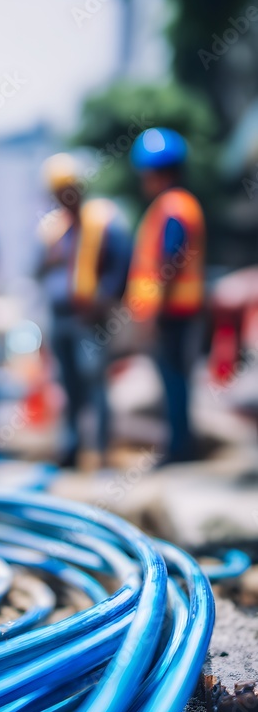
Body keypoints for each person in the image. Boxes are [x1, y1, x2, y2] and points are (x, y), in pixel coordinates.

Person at [38, 153, 132, 467]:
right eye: (58, 192)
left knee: (94, 382)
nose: (64, 197)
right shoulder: (54, 230)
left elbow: (121, 264)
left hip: (89, 321)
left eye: (69, 189)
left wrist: (105, 299)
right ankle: (71, 450)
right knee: (67, 385)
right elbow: (39, 269)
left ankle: (103, 452)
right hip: (60, 318)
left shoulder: (103, 221)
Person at [126, 127, 205, 464]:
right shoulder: (177, 206)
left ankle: (179, 448)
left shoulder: (172, 208)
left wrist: (153, 315)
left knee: (174, 380)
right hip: (177, 310)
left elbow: (168, 267)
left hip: (173, 312)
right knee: (175, 380)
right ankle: (179, 444)